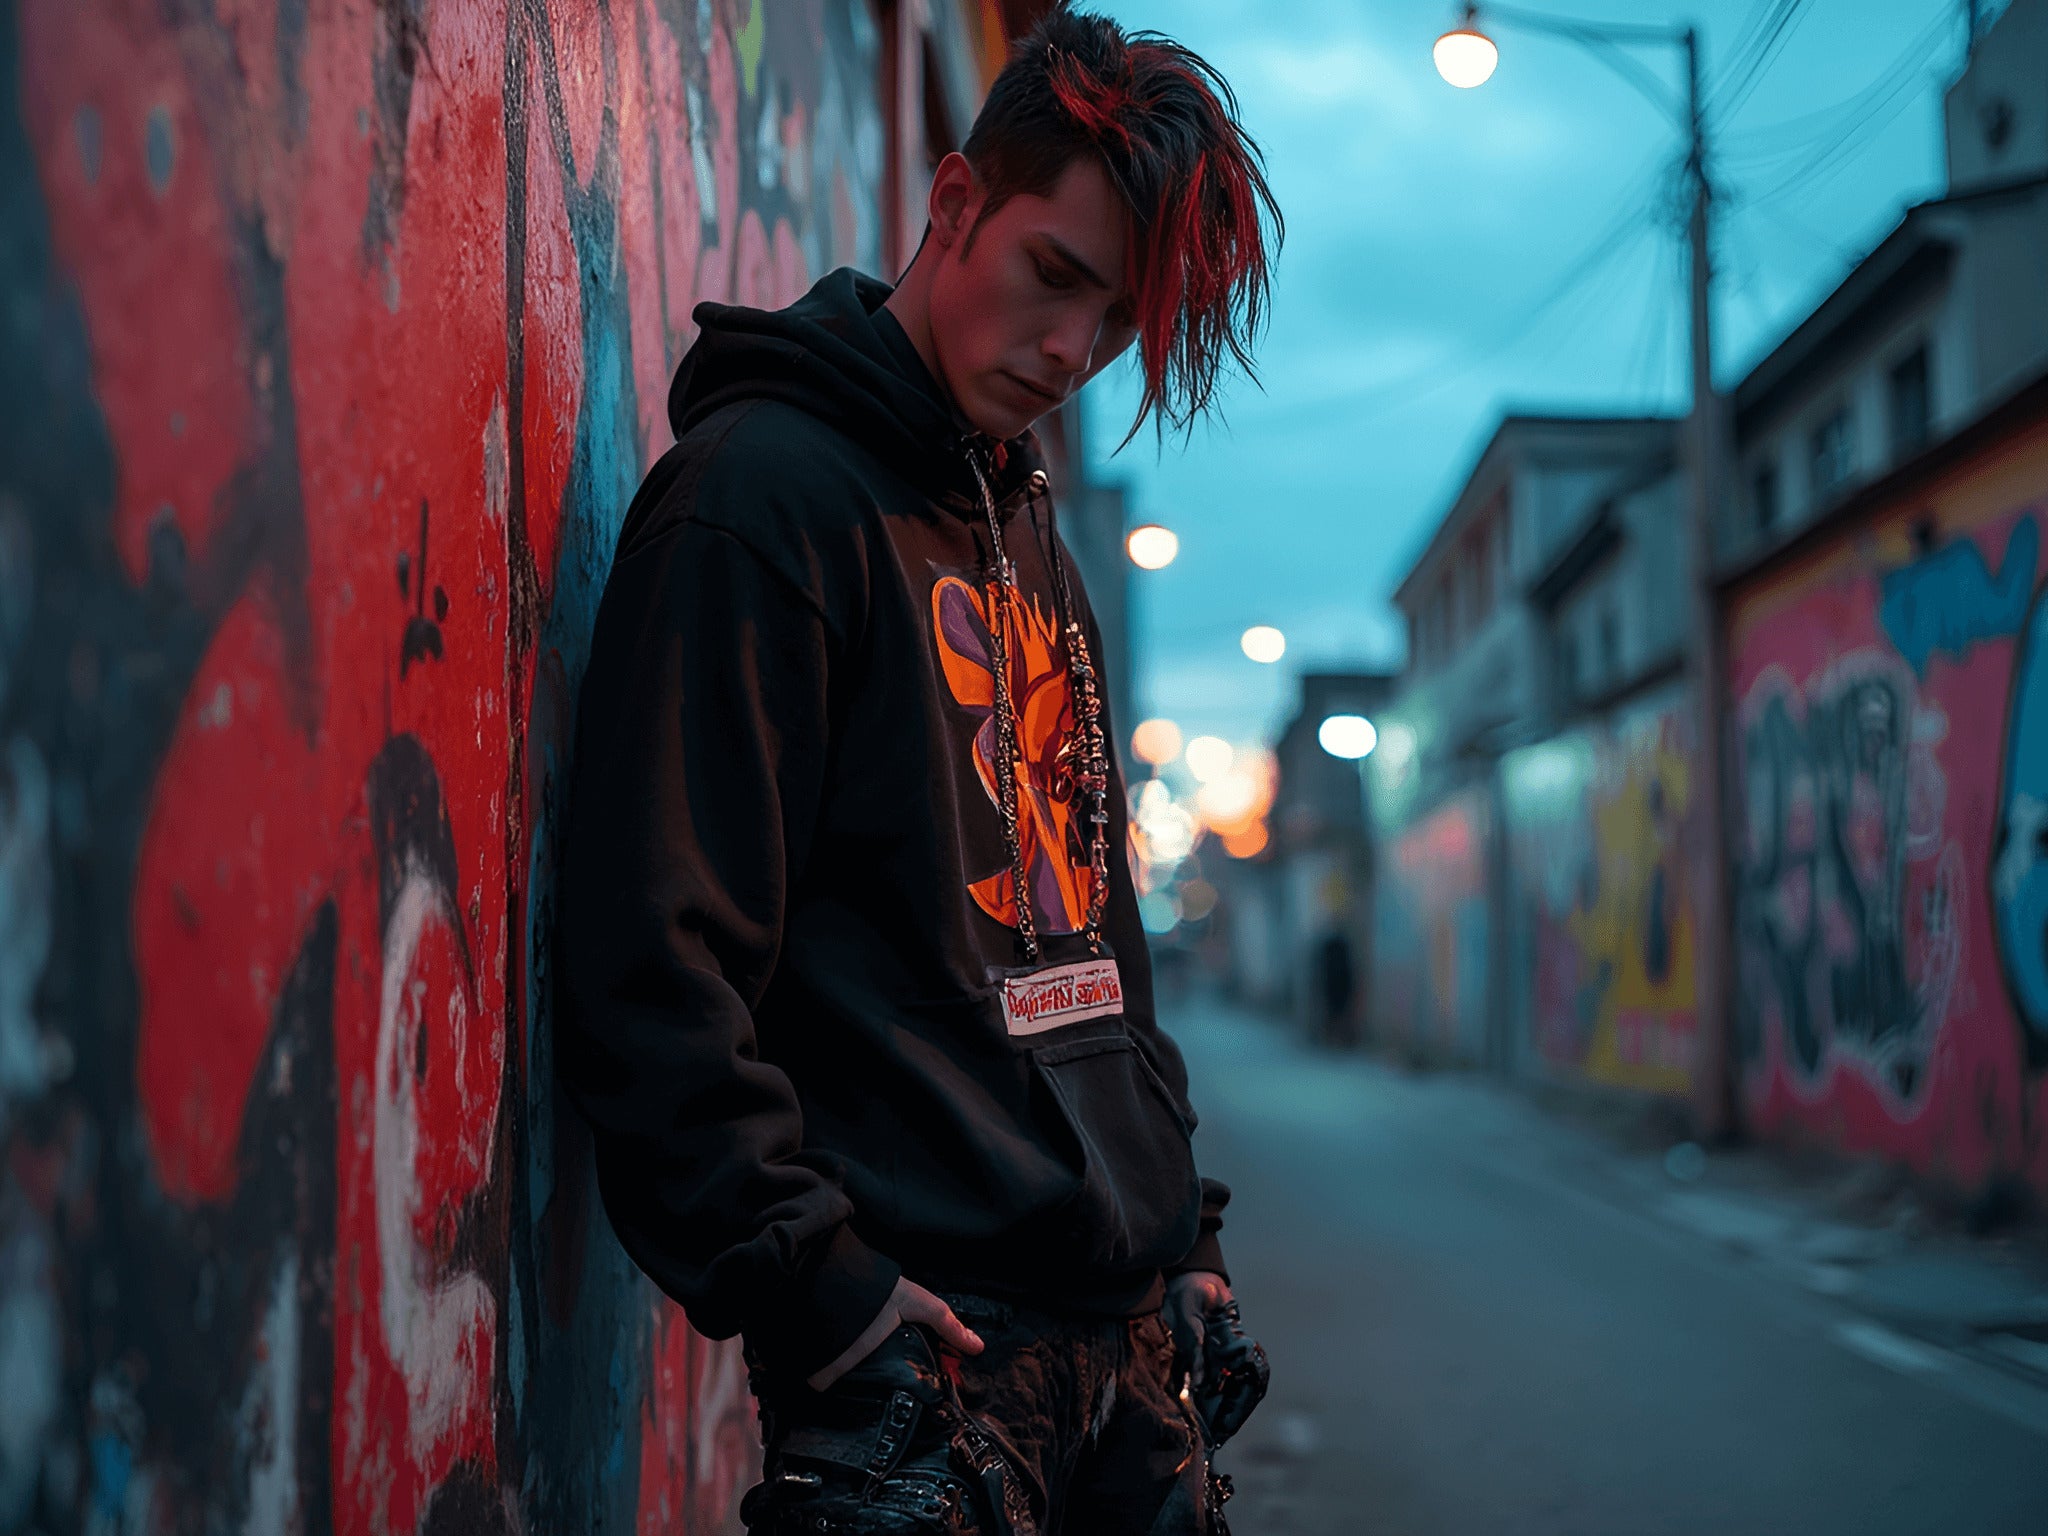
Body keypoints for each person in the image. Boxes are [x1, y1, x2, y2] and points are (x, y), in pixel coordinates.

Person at [556, 8, 1278, 1531]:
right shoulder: (759, 505)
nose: (1074, 351)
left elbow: (1098, 934)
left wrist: (1183, 1233)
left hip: (1127, 1362)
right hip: (925, 1378)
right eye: (1055, 277)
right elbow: (652, 955)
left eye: (1117, 322)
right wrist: (809, 1282)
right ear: (956, 205)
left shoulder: (1031, 535)